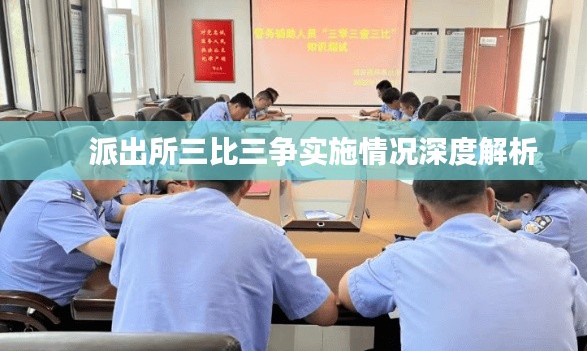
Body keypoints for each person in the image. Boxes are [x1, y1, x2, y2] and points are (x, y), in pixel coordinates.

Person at [110, 143, 338, 351]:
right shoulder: (266, 237)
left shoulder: (137, 216)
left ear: (189, 179)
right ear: (247, 185)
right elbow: (325, 313)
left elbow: (120, 280)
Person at [338, 170, 587, 350]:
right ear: (490, 200)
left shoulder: (403, 259)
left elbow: (350, 294)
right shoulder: (555, 259)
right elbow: (586, 322)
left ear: (423, 213)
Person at [0, 145, 128, 312]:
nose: (126, 183)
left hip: (76, 287)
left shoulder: (81, 184)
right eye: (125, 175)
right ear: (99, 171)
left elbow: (122, 212)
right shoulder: (57, 199)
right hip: (40, 310)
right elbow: (118, 254)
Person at [488, 154, 587, 295]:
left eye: (501, 204)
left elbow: (516, 254)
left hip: (580, 297)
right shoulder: (552, 189)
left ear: (526, 197)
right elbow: (538, 221)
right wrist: (510, 224)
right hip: (562, 277)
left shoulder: (558, 213)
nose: (501, 207)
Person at [118, 109, 190, 205]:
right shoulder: (126, 152)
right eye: (176, 144)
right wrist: (174, 197)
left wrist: (170, 185)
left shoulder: (154, 148)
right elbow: (131, 201)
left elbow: (161, 174)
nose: (178, 149)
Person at [188, 92, 253, 138]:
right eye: (244, 113)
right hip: (197, 148)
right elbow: (220, 136)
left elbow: (238, 130)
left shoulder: (231, 116)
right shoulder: (217, 111)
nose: (244, 117)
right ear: (236, 106)